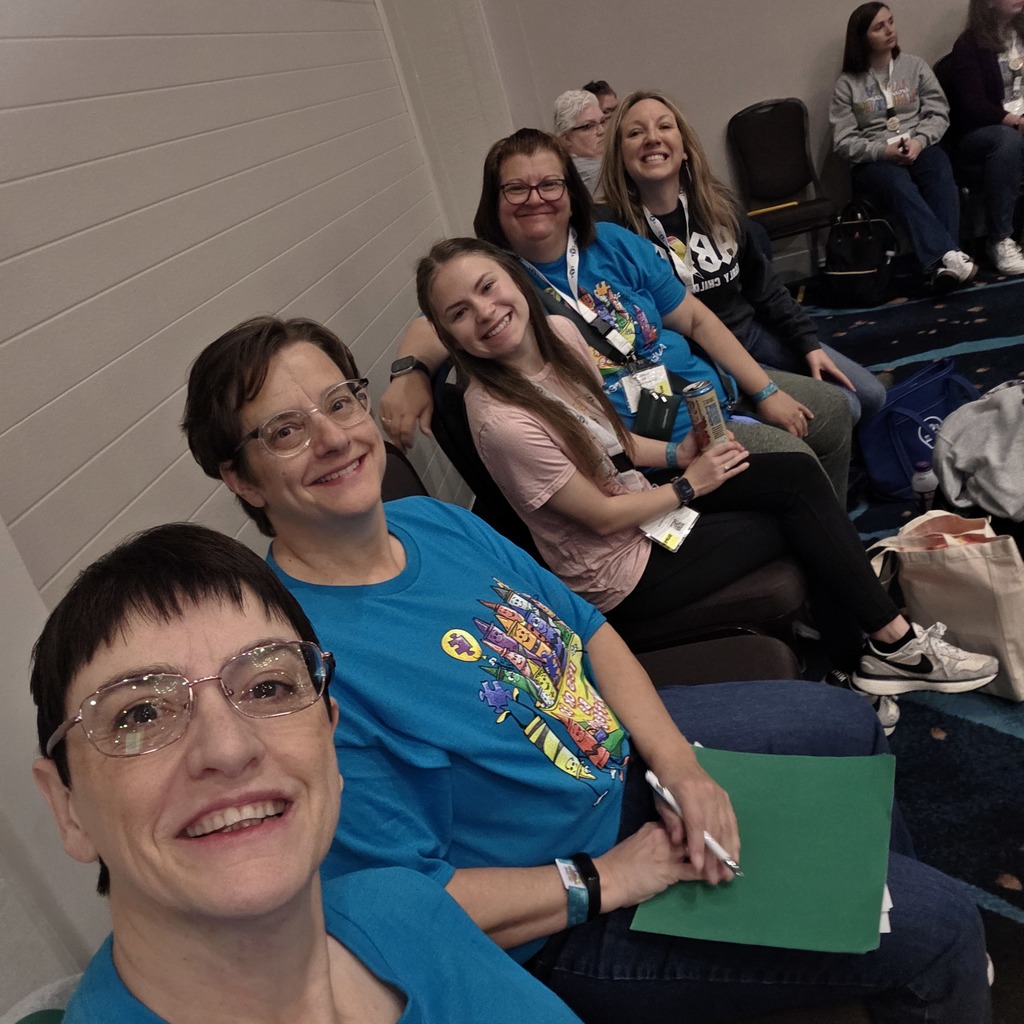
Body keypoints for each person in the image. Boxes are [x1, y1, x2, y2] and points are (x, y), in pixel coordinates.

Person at [180, 313, 993, 1024]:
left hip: (631, 778)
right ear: (241, 478)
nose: (334, 438)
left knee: (848, 722)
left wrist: (683, 769)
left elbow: (591, 635)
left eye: (340, 401)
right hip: (566, 916)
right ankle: (913, 956)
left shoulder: (429, 522)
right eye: (284, 430)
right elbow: (400, 905)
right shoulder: (295, 673)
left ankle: (882, 948)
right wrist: (603, 877)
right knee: (942, 923)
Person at [29, 522, 581, 1023]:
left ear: (329, 737)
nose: (228, 747)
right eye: (141, 713)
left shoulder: (404, 905)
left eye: (268, 687)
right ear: (66, 807)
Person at [415, 235, 998, 702]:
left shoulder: (563, 336)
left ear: (512, 279)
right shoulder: (499, 419)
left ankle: (869, 654)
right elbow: (599, 517)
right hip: (618, 571)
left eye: (489, 288)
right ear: (447, 335)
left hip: (642, 507)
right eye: (460, 313)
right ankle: (886, 649)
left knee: (793, 477)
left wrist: (679, 456)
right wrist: (692, 484)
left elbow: (616, 444)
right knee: (792, 523)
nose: (486, 313)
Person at [382, 127, 854, 500]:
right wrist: (409, 373)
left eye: (550, 183)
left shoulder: (613, 243)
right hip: (651, 438)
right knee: (797, 461)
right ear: (494, 200)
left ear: (570, 191)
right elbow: (434, 323)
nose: (537, 198)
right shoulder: (497, 279)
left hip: (701, 389)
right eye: (516, 189)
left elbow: (696, 320)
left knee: (834, 411)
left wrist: (766, 390)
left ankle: (824, 550)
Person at [598, 89, 886, 426]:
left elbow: (765, 288)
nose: (652, 139)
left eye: (664, 127)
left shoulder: (720, 206)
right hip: (701, 360)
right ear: (620, 155)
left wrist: (808, 344)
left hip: (753, 335)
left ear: (686, 147)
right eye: (635, 133)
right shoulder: (616, 234)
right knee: (845, 408)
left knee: (872, 395)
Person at [831, 3, 979, 288]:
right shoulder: (847, 85)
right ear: (862, 38)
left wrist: (919, 141)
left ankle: (941, 267)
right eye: (879, 27)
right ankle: (950, 255)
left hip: (917, 146)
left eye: (891, 22)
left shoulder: (915, 67)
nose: (889, 30)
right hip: (873, 161)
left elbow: (938, 113)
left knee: (939, 168)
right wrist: (880, 151)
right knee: (898, 184)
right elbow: (843, 140)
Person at [945, 0, 1024, 275]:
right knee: (1009, 141)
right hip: (982, 131)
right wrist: (1016, 121)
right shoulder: (969, 45)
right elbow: (974, 105)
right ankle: (1000, 239)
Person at [553, 89, 607, 194]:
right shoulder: (591, 173)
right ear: (566, 139)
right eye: (589, 126)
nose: (601, 130)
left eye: (603, 121)